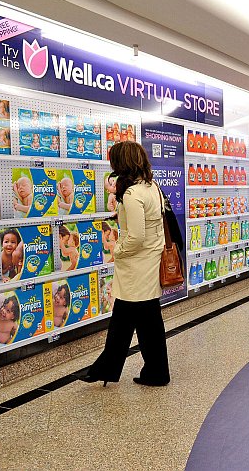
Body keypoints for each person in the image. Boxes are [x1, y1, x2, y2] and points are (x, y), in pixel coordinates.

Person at [80, 141, 169, 387]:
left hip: (136, 264)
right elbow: (151, 225)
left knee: (133, 318)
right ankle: (150, 370)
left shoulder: (131, 194)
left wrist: (117, 250)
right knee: (141, 318)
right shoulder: (151, 187)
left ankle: (113, 368)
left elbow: (136, 236)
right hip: (149, 261)